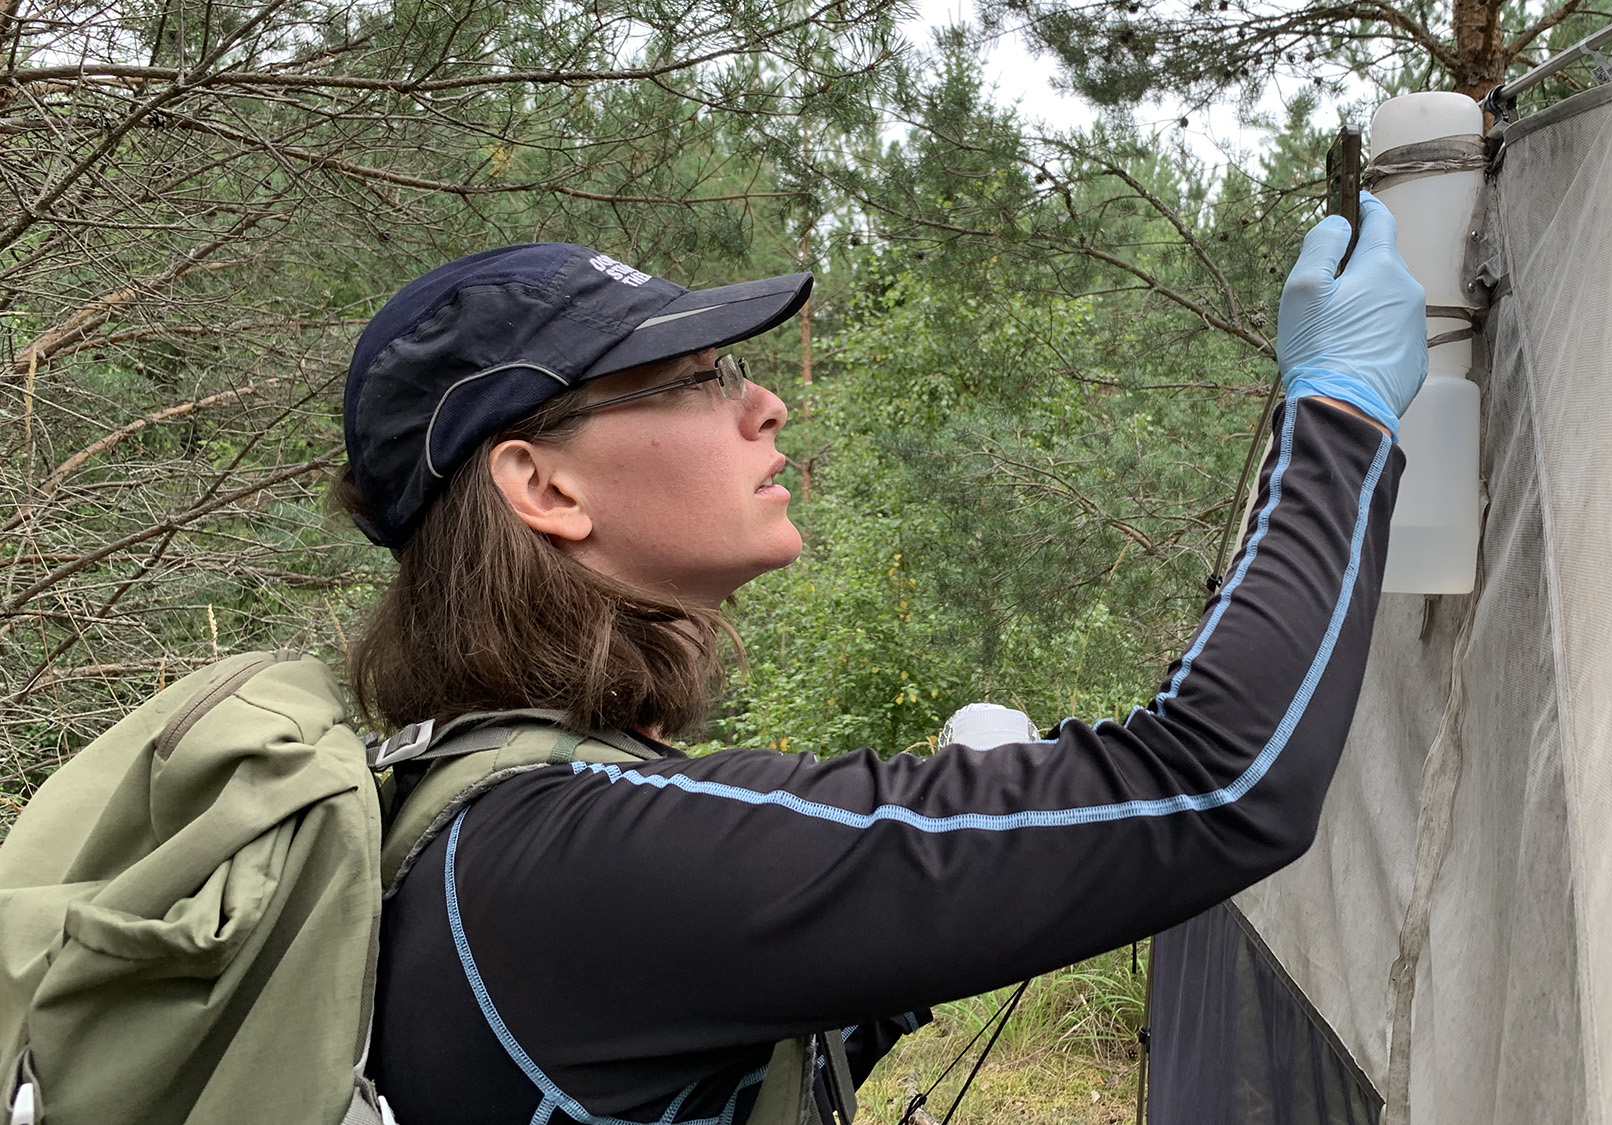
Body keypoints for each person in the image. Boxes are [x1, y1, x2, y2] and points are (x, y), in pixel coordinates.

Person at [337, 196, 1428, 1124]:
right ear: (543, 487)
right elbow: (1218, 781)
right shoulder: (578, 863)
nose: (765, 405)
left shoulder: (507, 828)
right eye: (700, 378)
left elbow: (703, 1070)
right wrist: (1337, 415)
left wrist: (895, 937)